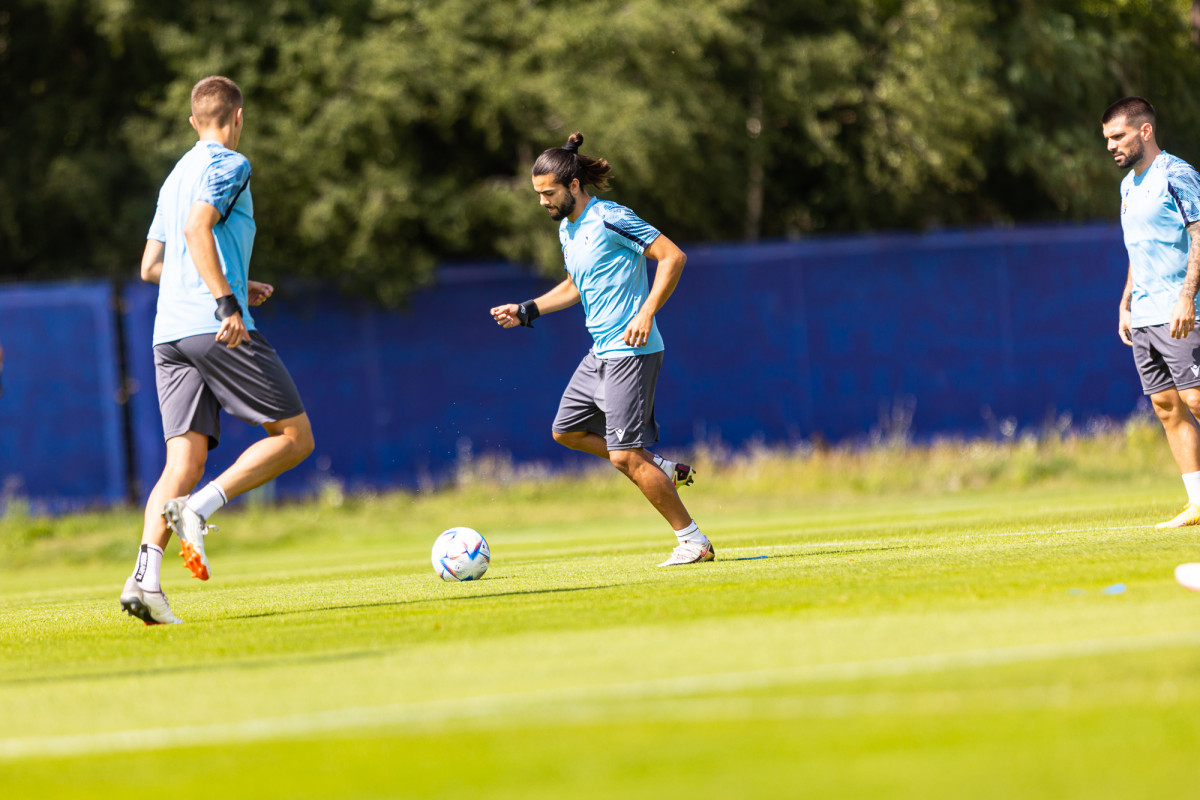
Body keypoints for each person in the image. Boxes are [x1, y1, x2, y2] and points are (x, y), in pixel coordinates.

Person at [120, 76, 314, 625]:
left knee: (182, 461)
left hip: (169, 336)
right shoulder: (230, 163)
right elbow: (198, 228)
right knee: (295, 438)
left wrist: (229, 280)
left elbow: (151, 267)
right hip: (215, 326)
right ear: (239, 117)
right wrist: (228, 300)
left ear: (191, 122)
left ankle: (145, 582)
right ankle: (200, 509)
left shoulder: (176, 173)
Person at [490, 132, 713, 566]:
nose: (542, 202)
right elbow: (575, 286)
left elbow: (672, 257)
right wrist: (526, 309)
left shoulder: (612, 217)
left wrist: (646, 311)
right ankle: (663, 469)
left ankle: (693, 541)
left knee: (625, 456)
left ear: (574, 186)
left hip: (633, 350)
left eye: (548, 193)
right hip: (601, 352)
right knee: (566, 430)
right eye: (538, 194)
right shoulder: (568, 231)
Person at [1103, 96, 1200, 529]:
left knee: (1196, 396)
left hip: (1182, 312)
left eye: (1118, 136)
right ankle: (1198, 503)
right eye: (1107, 139)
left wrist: (1186, 298)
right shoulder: (1128, 185)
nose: (1111, 146)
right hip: (1144, 316)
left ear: (1145, 131)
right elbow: (1137, 249)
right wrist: (1126, 301)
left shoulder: (1178, 175)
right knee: (1166, 406)